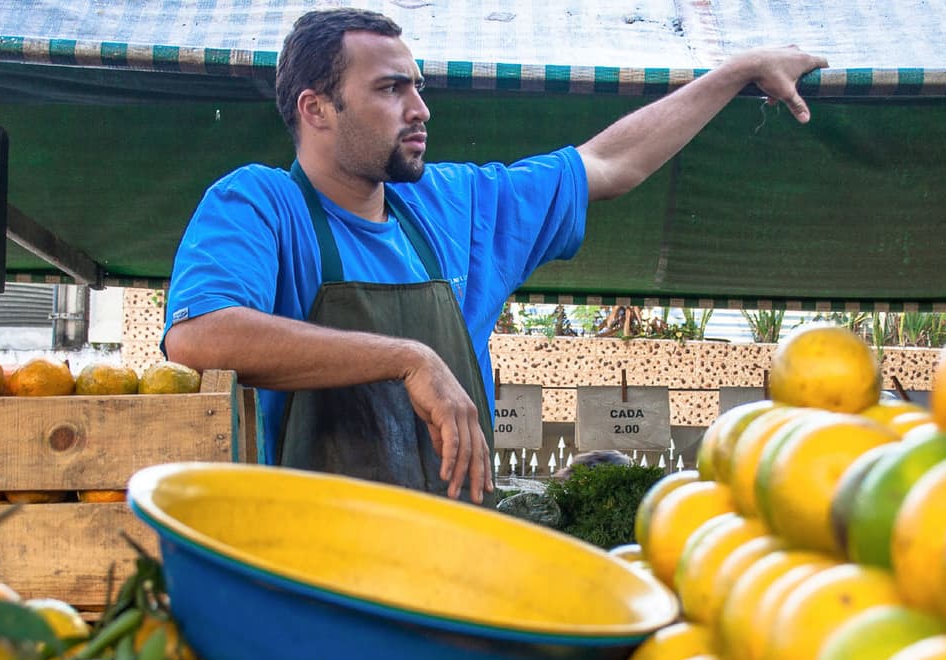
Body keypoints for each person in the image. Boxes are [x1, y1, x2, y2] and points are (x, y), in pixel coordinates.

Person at [162, 8, 827, 505]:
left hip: (455, 564)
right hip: (314, 572)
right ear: (317, 109)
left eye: (418, 87)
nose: (420, 109)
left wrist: (737, 71)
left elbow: (608, 163)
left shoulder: (454, 206)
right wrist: (409, 359)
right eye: (391, 89)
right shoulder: (261, 205)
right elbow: (199, 334)